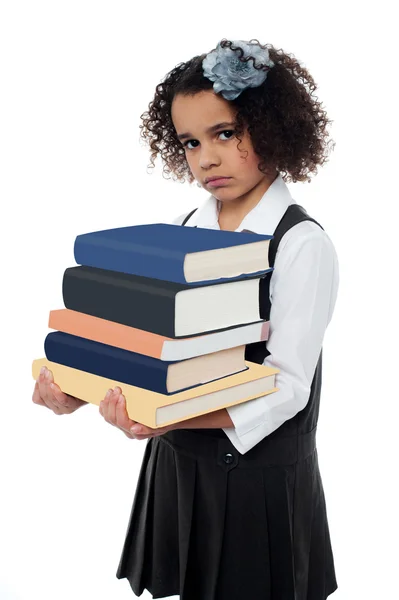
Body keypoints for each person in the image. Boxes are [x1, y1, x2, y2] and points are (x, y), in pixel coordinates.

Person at [32, 38, 339, 600]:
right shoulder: (179, 232)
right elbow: (146, 348)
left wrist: (169, 418)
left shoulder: (301, 244)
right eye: (191, 142)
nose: (207, 158)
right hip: (177, 469)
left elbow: (289, 387)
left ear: (272, 126)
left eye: (225, 134)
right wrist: (75, 391)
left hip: (259, 481)